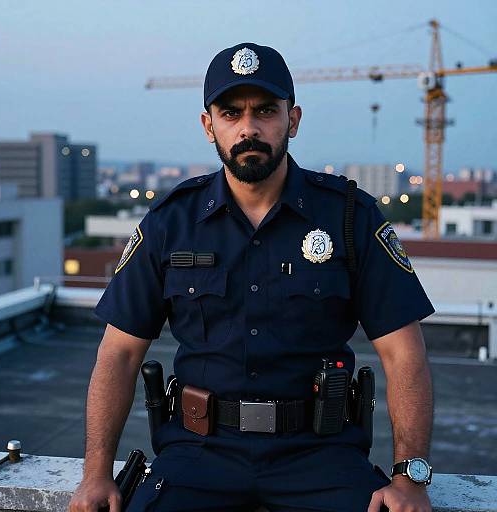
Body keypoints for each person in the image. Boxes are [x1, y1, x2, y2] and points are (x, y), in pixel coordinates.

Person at [69, 42, 435, 512]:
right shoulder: (169, 223)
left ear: (293, 119)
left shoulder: (351, 218)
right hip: (197, 454)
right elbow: (118, 353)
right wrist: (96, 474)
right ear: (209, 126)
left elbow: (405, 353)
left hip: (321, 455)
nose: (248, 128)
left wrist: (409, 477)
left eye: (265, 110)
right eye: (230, 113)